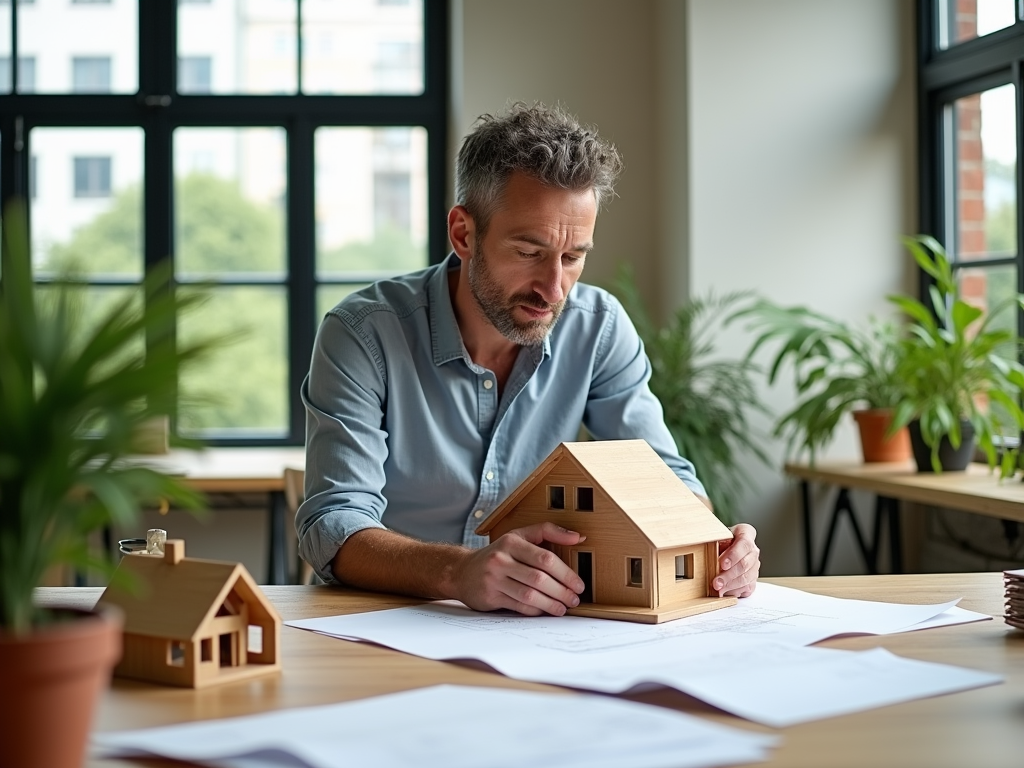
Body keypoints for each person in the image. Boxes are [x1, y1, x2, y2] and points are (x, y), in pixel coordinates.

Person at [297, 102, 760, 616]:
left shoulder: (598, 328)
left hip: (543, 631)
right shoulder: (363, 335)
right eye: (529, 251)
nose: (553, 287)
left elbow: (665, 480)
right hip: (387, 625)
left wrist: (711, 541)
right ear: (463, 234)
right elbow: (333, 525)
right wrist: (458, 572)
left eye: (573, 256)